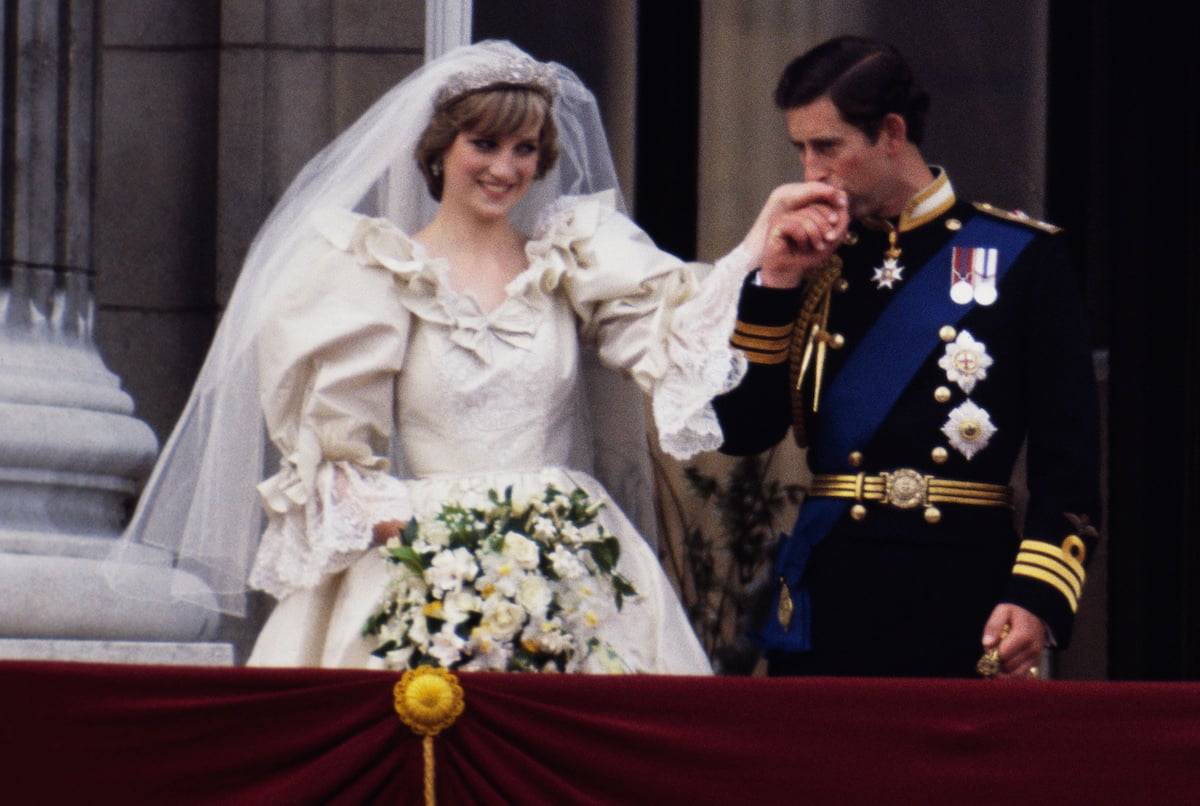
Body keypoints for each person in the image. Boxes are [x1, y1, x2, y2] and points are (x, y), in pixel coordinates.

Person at [109, 40, 841, 674]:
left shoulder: (572, 258)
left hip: (573, 560)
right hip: (426, 561)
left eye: (525, 149)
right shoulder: (373, 272)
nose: (505, 168)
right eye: (484, 145)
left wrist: (756, 253)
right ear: (439, 150)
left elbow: (676, 335)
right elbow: (337, 462)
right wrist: (445, 552)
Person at [713, 35, 1101, 678]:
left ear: (891, 133)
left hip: (964, 589)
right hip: (832, 589)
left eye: (828, 147)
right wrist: (774, 285)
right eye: (801, 149)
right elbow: (740, 431)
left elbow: (1071, 461)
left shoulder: (1023, 257)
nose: (810, 171)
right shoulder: (807, 259)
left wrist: (1034, 596)